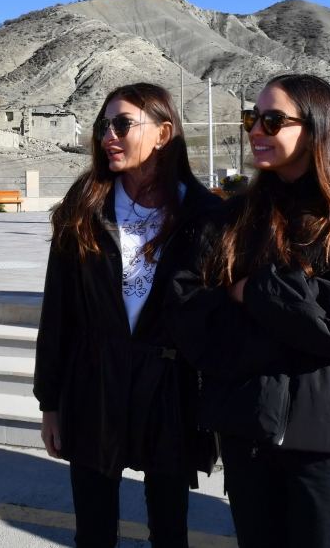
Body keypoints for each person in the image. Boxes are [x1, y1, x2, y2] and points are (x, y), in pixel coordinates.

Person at [171, 74, 330, 548]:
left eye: (273, 120)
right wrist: (310, 325)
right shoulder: (230, 219)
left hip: (327, 435)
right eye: (251, 118)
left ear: (317, 127)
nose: (256, 129)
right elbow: (189, 312)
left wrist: (249, 292)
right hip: (246, 428)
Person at [33, 83, 220, 548]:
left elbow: (222, 313)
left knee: (170, 528)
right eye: (103, 126)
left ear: (163, 134)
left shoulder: (206, 215)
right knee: (93, 529)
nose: (108, 136)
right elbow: (58, 312)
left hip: (169, 388)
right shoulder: (85, 208)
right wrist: (49, 403)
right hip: (95, 382)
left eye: (122, 124)